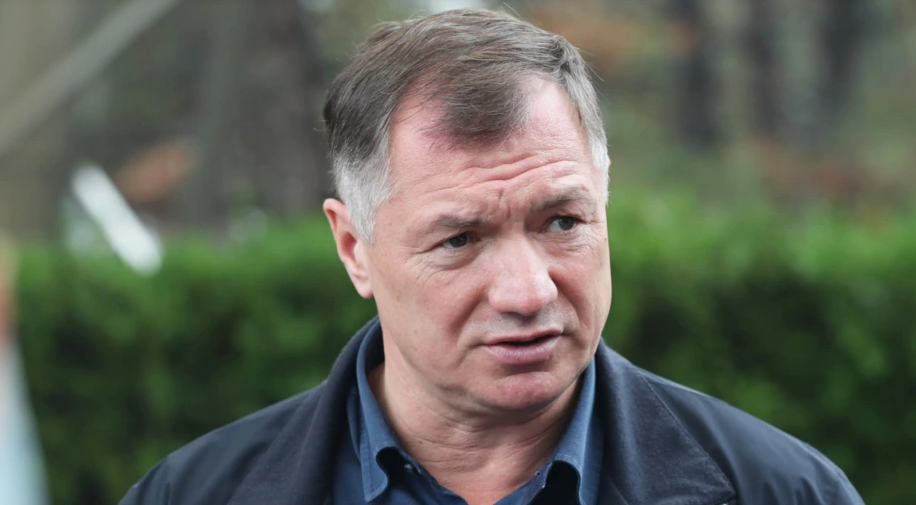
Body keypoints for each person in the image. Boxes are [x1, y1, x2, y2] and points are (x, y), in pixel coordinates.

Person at [121, 9, 864, 505]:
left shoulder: (785, 492)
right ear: (354, 249)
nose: (528, 290)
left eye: (562, 221)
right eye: (460, 239)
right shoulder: (193, 495)